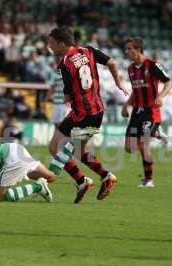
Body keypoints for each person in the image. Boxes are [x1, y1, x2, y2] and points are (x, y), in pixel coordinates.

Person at [47, 26, 128, 203]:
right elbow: (112, 63)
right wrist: (118, 82)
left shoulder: (63, 65)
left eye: (52, 43)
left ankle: (82, 180)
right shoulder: (89, 50)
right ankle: (105, 177)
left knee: (54, 148)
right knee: (79, 151)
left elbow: (67, 96)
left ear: (62, 43)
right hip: (97, 111)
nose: (50, 46)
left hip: (81, 114)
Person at [121, 37, 172, 187]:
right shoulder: (130, 69)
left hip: (151, 110)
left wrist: (160, 96)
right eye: (127, 49)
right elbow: (136, 91)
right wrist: (126, 105)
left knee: (143, 145)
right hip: (137, 110)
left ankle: (149, 180)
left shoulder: (152, 65)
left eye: (130, 48)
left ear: (138, 50)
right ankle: (155, 132)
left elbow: (169, 82)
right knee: (130, 148)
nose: (128, 51)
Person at [45, 57, 71, 126]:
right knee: (62, 126)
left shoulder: (55, 73)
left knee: (59, 126)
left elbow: (52, 88)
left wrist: (46, 99)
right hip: (65, 104)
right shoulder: (70, 72)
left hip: (60, 104)